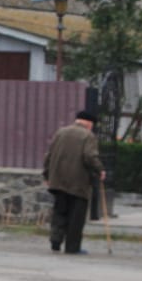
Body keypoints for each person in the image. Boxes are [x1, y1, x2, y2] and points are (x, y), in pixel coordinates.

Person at [43, 109, 106, 255]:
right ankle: (72, 247)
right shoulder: (88, 136)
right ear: (89, 124)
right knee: (76, 217)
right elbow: (89, 156)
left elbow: (49, 155)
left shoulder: (61, 132)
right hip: (78, 183)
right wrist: (100, 170)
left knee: (59, 212)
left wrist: (47, 175)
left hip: (58, 180)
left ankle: (56, 241)